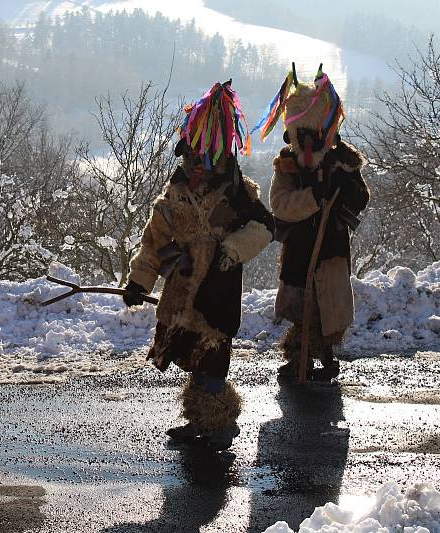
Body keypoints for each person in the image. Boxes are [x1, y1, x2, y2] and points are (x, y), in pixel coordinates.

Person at [123, 81, 274, 451]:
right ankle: (199, 419)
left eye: (204, 159)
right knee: (190, 354)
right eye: (192, 158)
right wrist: (139, 281)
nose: (197, 167)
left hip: (218, 293)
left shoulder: (237, 194)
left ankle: (219, 422)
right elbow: (154, 240)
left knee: (212, 355)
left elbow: (266, 226)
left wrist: (232, 250)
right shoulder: (175, 196)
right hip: (183, 291)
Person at [252, 64, 369, 382]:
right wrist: (314, 196)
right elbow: (281, 205)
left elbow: (360, 199)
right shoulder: (287, 166)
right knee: (300, 307)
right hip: (300, 250)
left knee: (327, 306)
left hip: (331, 249)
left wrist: (345, 185)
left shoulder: (340, 161)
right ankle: (298, 357)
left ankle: (327, 358)